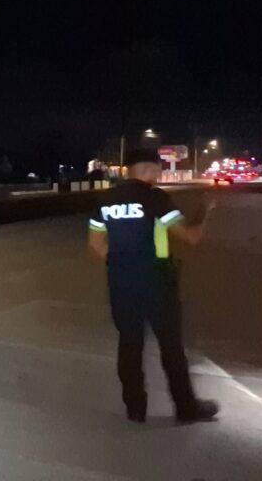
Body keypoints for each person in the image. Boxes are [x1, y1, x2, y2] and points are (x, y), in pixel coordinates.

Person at [87, 148, 218, 423]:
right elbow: (191, 237)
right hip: (157, 283)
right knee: (171, 347)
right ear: (150, 168)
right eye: (159, 169)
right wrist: (204, 211)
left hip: (121, 284)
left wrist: (123, 263)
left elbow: (96, 245)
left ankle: (135, 409)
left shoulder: (106, 199)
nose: (160, 174)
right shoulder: (155, 198)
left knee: (129, 345)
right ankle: (186, 408)